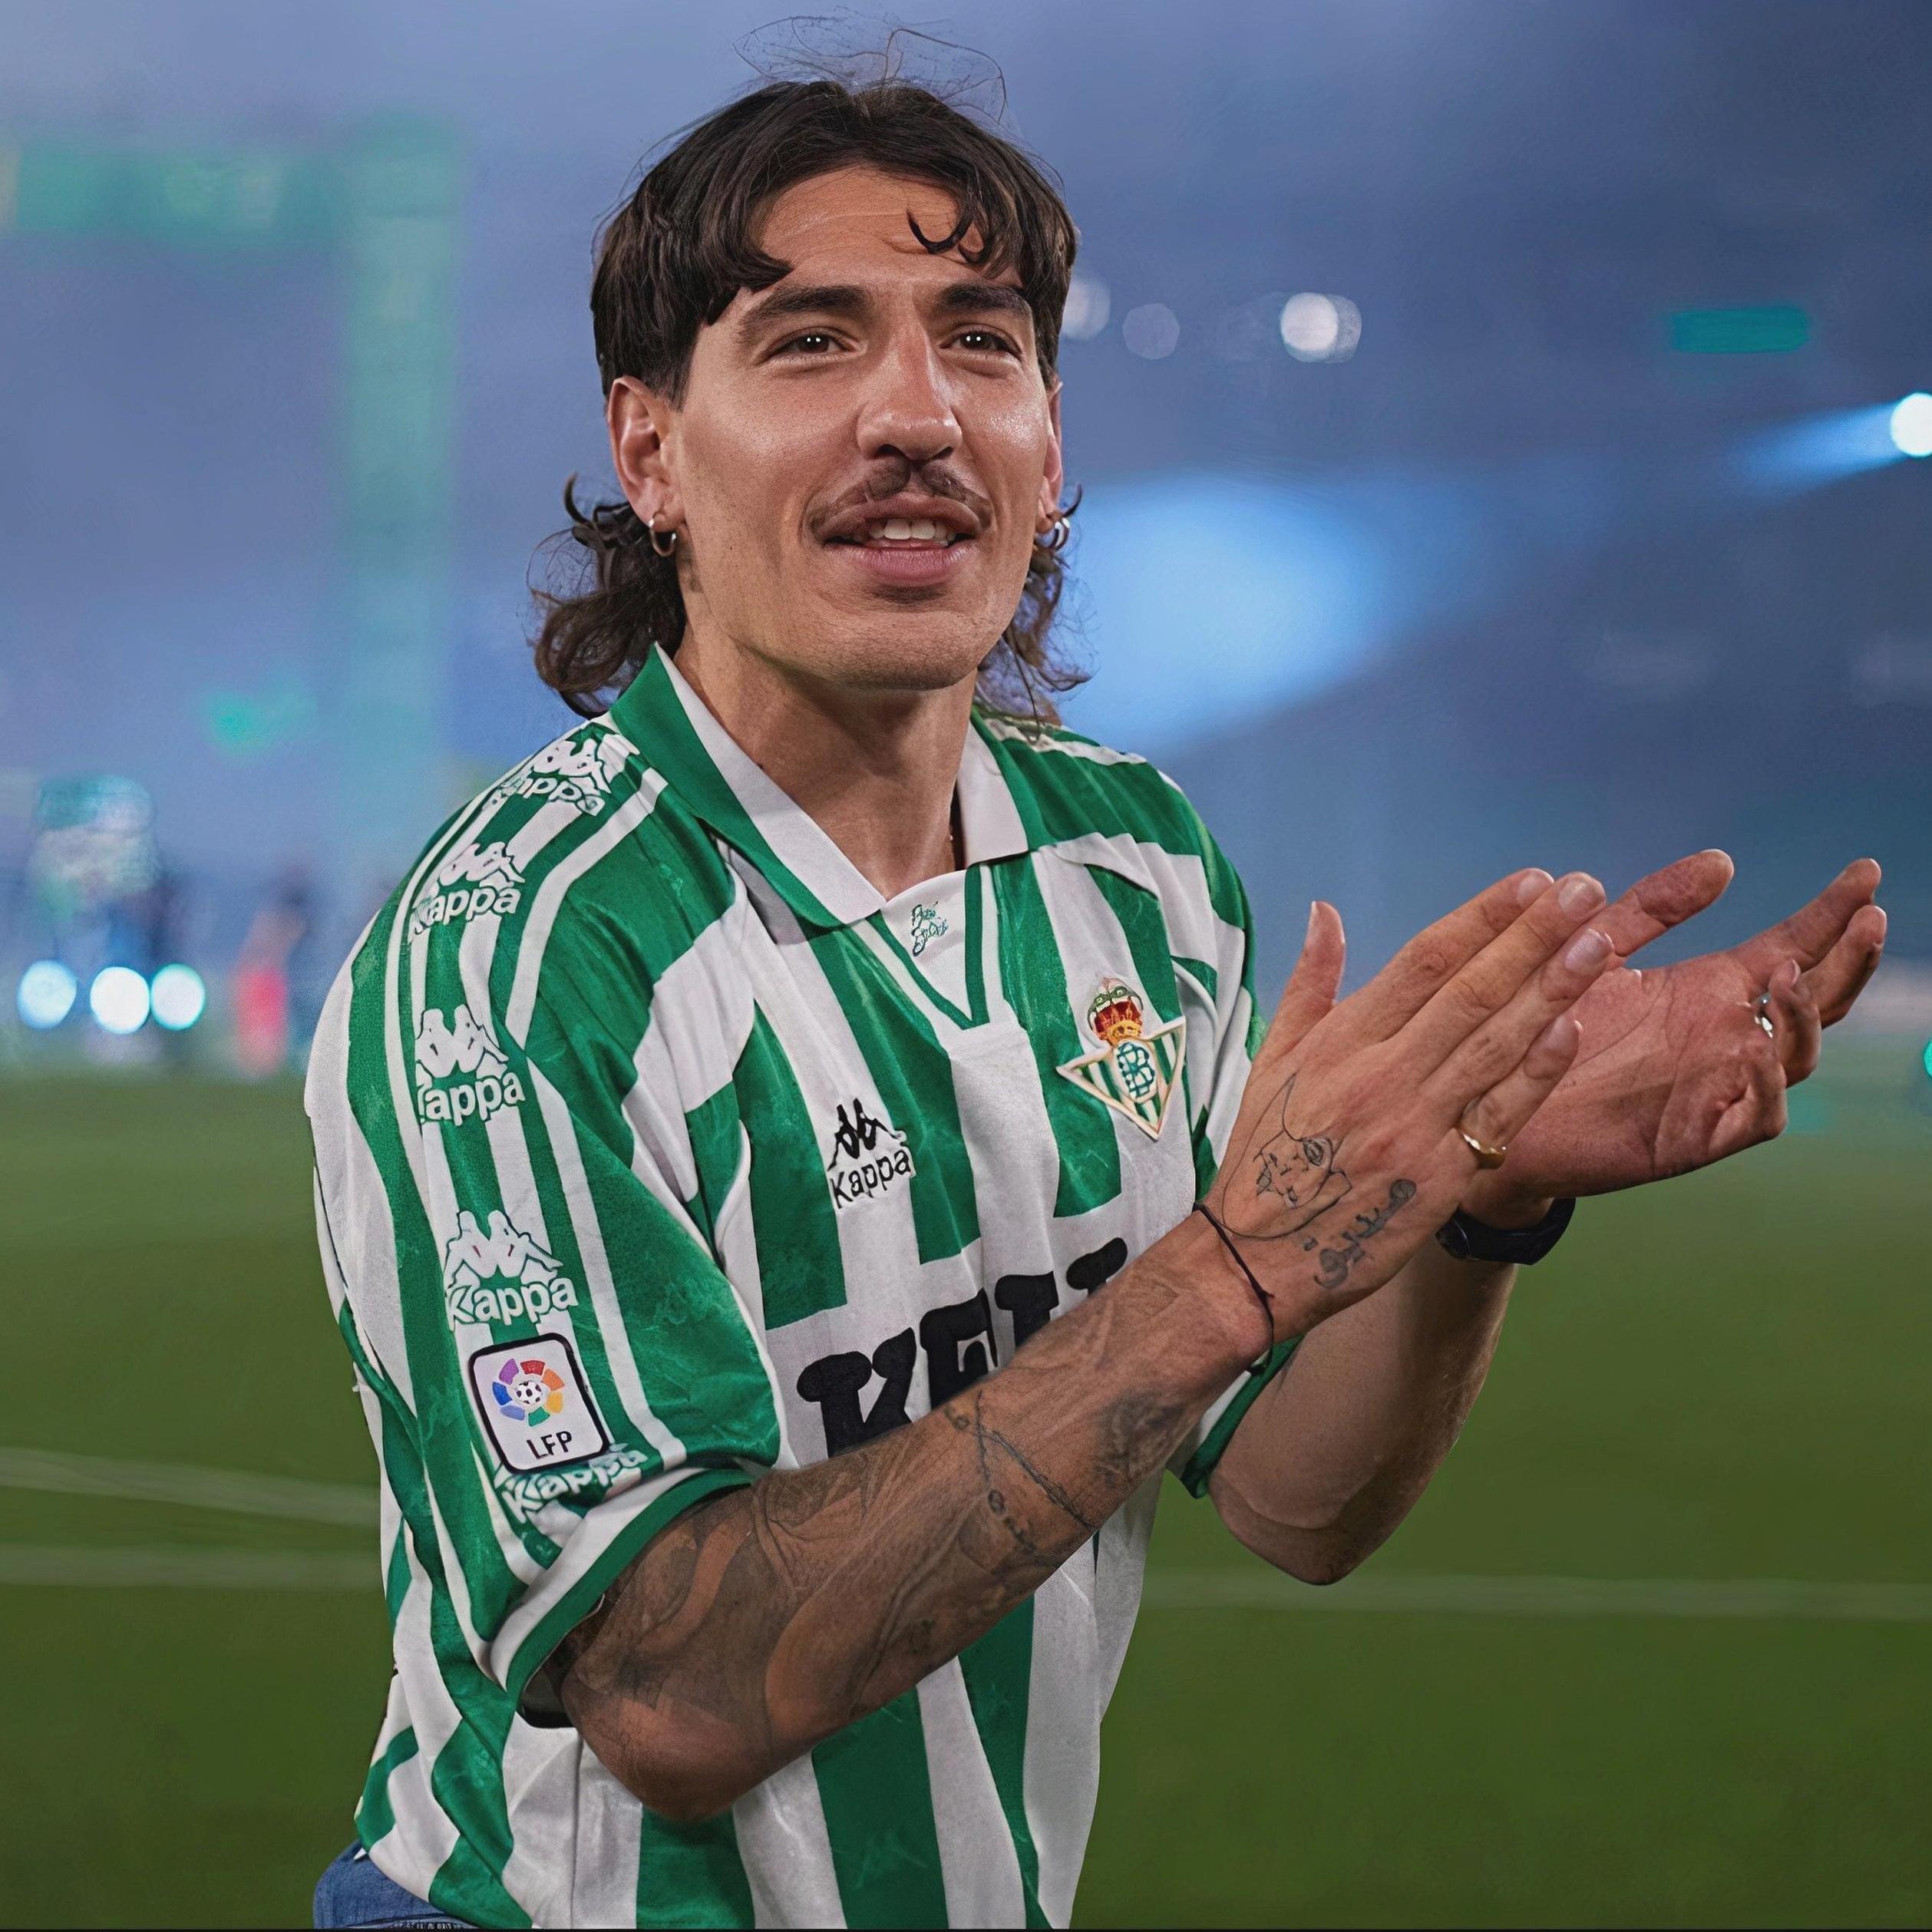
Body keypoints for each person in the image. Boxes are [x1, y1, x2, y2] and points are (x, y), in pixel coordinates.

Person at [304, 73, 1886, 1930]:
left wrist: (1476, 1197)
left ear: (1048, 435)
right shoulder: (518, 950)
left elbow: (1293, 1495)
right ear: (650, 454)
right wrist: (1228, 1266)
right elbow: (671, 1682)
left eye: (980, 344)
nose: (914, 413)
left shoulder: (1135, 869)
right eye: (811, 343)